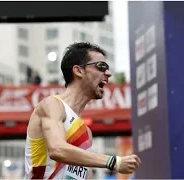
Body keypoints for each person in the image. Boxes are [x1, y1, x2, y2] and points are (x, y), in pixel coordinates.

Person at [24, 42, 141, 179]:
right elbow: (57, 149)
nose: (108, 74)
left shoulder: (87, 134)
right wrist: (114, 162)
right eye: (101, 67)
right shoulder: (52, 105)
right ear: (78, 70)